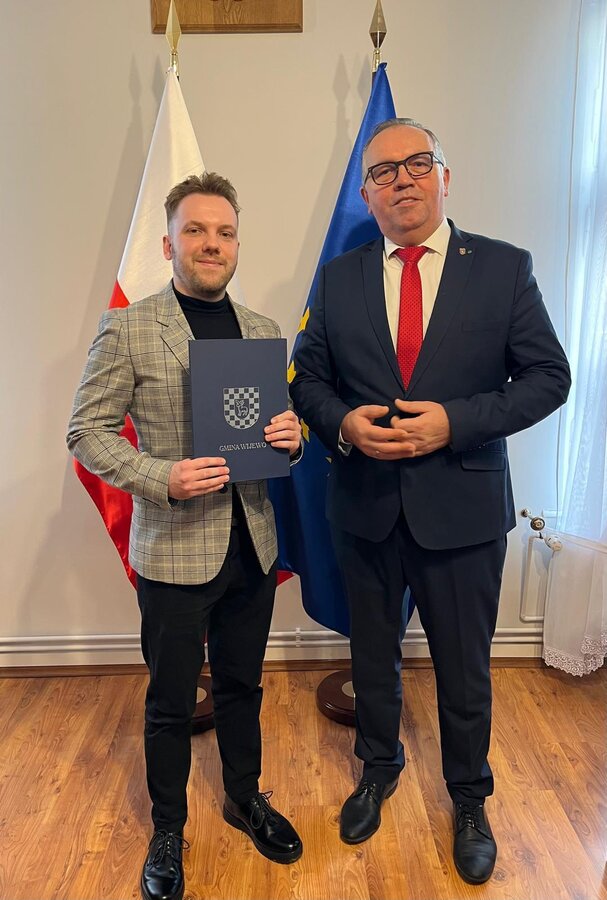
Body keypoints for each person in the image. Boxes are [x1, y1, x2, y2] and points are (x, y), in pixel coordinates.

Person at [290, 118, 570, 885]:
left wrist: (455, 422)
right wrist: (342, 424)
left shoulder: (503, 269)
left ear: (445, 176)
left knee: (463, 668)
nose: (401, 180)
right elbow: (305, 379)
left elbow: (547, 377)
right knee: (371, 657)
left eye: (417, 163)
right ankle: (377, 768)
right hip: (365, 505)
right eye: (383, 172)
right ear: (366, 195)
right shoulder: (338, 278)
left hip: (463, 510)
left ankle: (469, 798)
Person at [67, 173, 303, 900]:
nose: (211, 243)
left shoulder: (261, 329)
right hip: (173, 549)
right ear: (169, 244)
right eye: (195, 230)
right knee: (171, 700)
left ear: (236, 244)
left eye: (224, 232)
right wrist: (159, 476)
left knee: (241, 685)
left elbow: (275, 432)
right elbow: (86, 432)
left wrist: (292, 439)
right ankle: (168, 827)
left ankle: (244, 796)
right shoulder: (129, 327)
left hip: (251, 546)